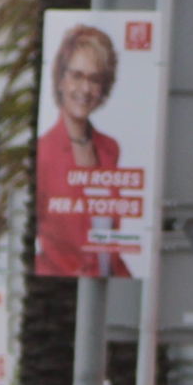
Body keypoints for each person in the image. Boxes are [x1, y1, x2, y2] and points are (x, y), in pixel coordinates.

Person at [35, 24, 130, 277]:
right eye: (77, 76)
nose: (85, 89)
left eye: (94, 79)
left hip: (108, 285)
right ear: (61, 80)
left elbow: (111, 241)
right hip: (61, 289)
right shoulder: (43, 152)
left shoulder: (110, 149)